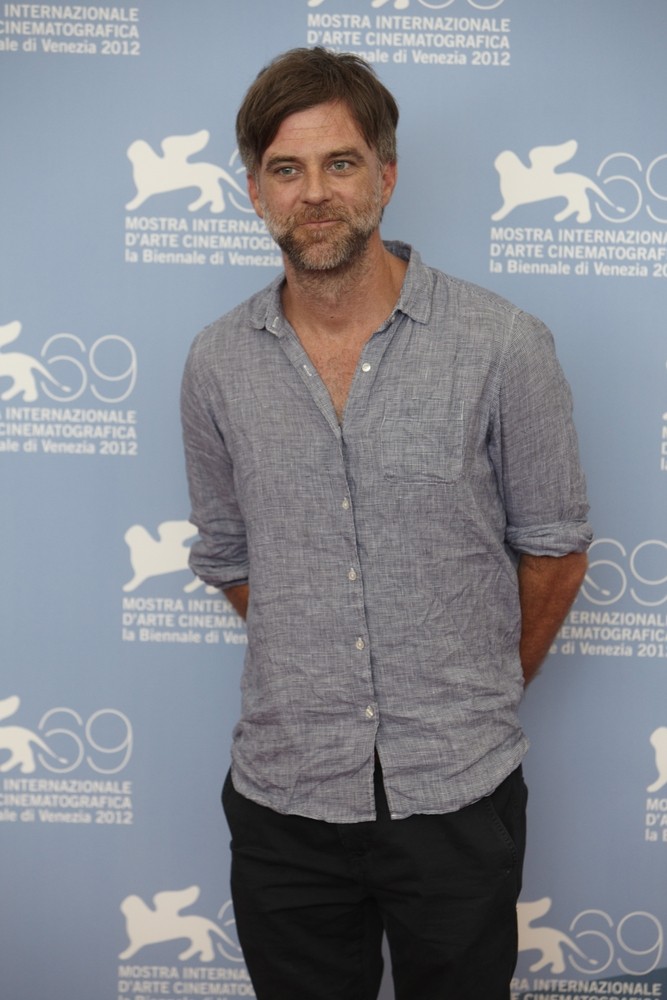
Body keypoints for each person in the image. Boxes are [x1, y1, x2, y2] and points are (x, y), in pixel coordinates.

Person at [181, 47, 591, 1000]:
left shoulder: (503, 345)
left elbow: (555, 553)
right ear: (254, 192)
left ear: (386, 176)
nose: (314, 193)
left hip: (459, 794)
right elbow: (232, 559)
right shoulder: (215, 364)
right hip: (284, 802)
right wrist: (317, 654)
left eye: (340, 163)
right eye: (286, 169)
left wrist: (474, 691)